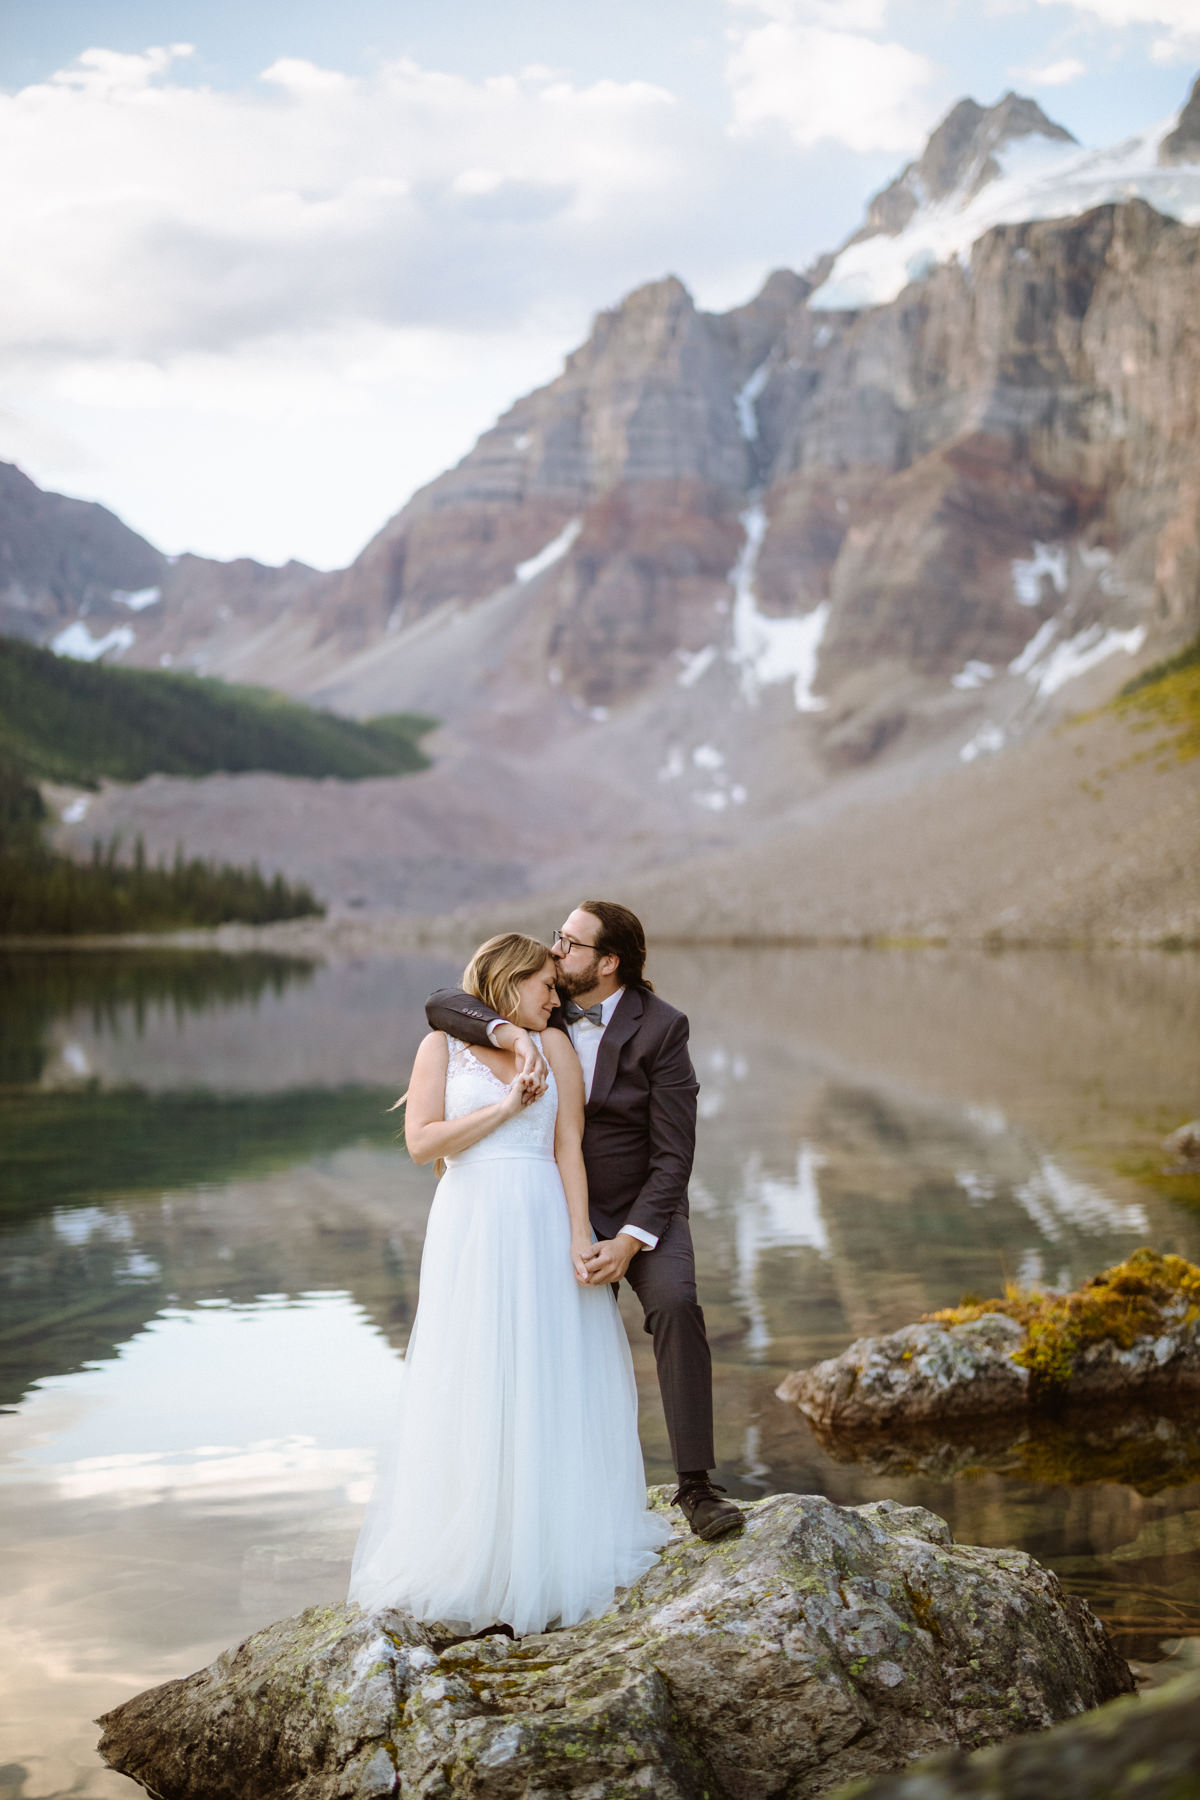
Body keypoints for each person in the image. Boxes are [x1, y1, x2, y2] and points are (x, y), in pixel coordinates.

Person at [348, 931, 669, 1637]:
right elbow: (422, 1143)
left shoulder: (554, 1047)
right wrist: (503, 1108)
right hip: (471, 1221)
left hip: (542, 1217)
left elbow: (568, 1151)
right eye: (545, 987)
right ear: (506, 978)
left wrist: (582, 1234)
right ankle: (475, 1541)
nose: (554, 1000)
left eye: (557, 990)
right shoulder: (441, 1047)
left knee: (548, 1370)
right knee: (473, 1369)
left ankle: (550, 1537)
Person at [427, 900, 743, 1542]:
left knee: (677, 1306)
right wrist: (512, 1035)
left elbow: (674, 1154)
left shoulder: (663, 1028)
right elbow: (441, 1002)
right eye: (556, 941)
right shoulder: (539, 1007)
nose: (558, 950)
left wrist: (630, 1240)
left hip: (638, 1207)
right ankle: (523, 1499)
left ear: (609, 961)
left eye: (570, 943)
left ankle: (697, 1487)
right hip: (547, 1202)